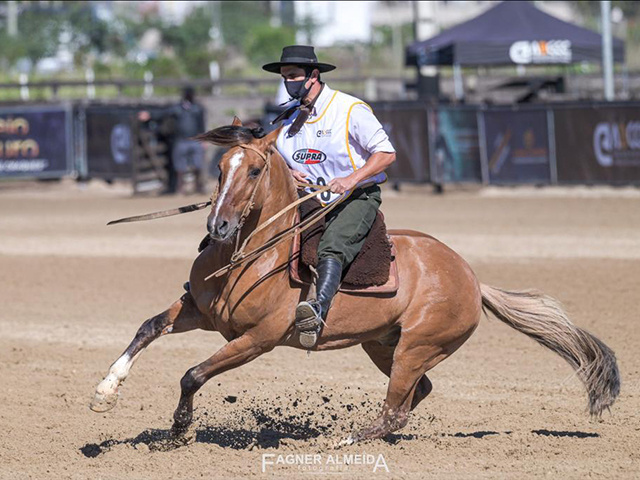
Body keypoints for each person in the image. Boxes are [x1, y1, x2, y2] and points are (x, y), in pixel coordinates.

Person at [262, 45, 396, 347]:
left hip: (355, 198)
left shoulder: (350, 109)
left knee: (331, 247)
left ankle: (317, 312)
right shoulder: (288, 121)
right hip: (309, 200)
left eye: (294, 76)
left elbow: (386, 154)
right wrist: (287, 172)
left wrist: (351, 179)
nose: (288, 82)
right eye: (284, 77)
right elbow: (275, 156)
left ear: (314, 75)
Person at [138, 86, 206, 194]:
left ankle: (198, 187)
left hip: (195, 140)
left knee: (197, 165)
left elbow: (201, 124)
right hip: (181, 140)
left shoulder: (198, 108)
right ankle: (180, 188)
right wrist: (149, 115)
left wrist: (203, 139)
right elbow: (163, 114)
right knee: (180, 167)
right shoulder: (177, 108)